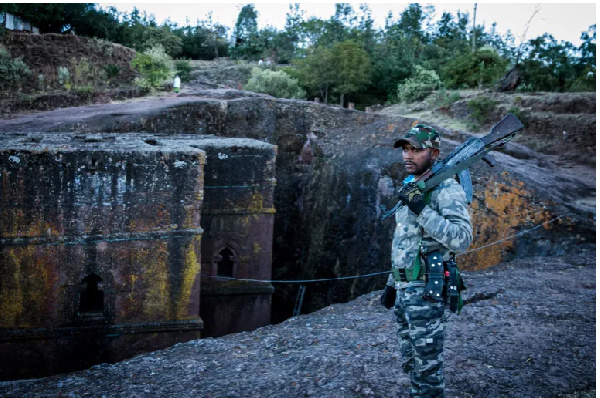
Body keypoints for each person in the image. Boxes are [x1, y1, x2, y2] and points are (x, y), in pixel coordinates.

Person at [380, 124, 473, 398]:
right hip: (405, 288)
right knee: (412, 362)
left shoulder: (446, 188)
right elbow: (405, 240)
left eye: (416, 150)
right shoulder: (412, 185)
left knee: (428, 368)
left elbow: (462, 239)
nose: (408, 156)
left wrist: (420, 208)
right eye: (405, 150)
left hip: (426, 291)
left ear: (434, 153)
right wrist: (392, 282)